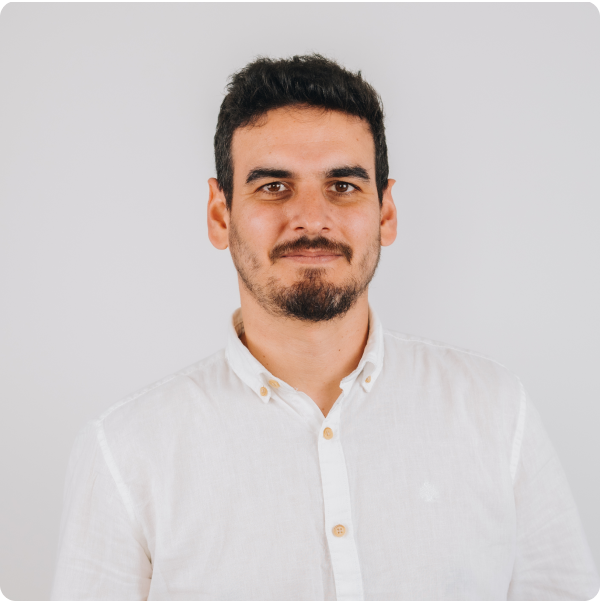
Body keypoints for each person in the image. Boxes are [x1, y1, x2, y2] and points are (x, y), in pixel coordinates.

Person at [50, 54, 600, 601]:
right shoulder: (126, 451)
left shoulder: (495, 411)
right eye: (273, 186)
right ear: (220, 215)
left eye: (343, 185)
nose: (312, 218)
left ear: (385, 212)